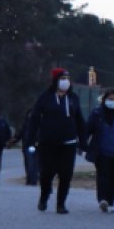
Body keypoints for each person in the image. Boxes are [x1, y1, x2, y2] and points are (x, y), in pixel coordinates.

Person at [26, 69, 86, 213]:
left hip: (69, 143)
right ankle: (44, 196)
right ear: (55, 81)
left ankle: (61, 204)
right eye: (62, 78)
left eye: (67, 78)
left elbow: (80, 120)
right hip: (47, 143)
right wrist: (30, 139)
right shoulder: (45, 98)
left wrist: (83, 141)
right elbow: (34, 119)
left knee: (66, 174)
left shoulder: (73, 98)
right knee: (47, 173)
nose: (65, 81)